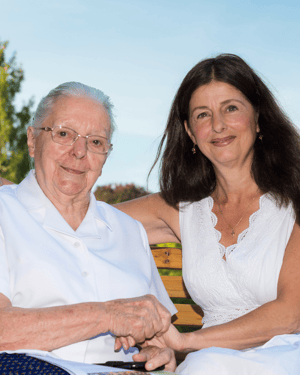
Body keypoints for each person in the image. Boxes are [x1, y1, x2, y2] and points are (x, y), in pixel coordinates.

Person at [115, 54, 300, 374]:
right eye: (203, 114)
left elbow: (291, 314)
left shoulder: (294, 200)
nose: (217, 125)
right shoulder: (180, 209)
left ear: (258, 119)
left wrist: (185, 342)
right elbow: (77, 218)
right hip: (210, 361)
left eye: (231, 108)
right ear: (189, 132)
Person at [0, 82, 177, 372]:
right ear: (32, 140)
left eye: (96, 142)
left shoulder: (130, 231)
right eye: (64, 134)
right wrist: (105, 316)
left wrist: (160, 354)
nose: (79, 151)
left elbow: (159, 338)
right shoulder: (5, 212)